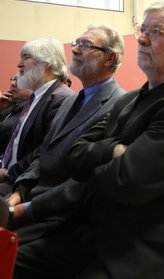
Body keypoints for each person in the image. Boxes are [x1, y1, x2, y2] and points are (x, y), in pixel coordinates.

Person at [14, 2, 164, 279]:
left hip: (147, 244)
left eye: (155, 32)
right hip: (100, 231)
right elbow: (73, 155)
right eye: (142, 29)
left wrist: (97, 158)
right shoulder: (130, 99)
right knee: (11, 258)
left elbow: (126, 183)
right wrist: (113, 150)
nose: (141, 38)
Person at [7, 24, 125, 250]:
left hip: (65, 218)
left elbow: (89, 179)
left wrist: (28, 208)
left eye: (86, 45)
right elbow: (44, 153)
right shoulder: (71, 101)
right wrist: (19, 192)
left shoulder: (119, 105)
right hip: (34, 201)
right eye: (76, 43)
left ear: (110, 58)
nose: (76, 50)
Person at [0, 38, 74, 197]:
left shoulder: (60, 98)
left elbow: (46, 151)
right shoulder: (37, 96)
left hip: (23, 185)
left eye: (26, 57)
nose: (19, 64)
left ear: (47, 63)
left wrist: (8, 173)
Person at [0, 75, 33, 154]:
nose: (13, 83)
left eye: (20, 80)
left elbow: (2, 129)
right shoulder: (13, 104)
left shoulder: (28, 107)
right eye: (13, 79)